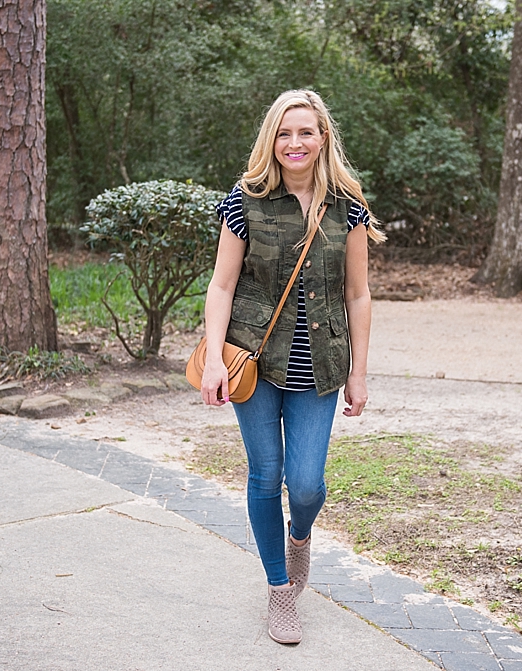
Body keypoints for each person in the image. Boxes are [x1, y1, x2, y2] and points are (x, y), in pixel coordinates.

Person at [200, 89, 386, 645]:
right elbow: (222, 284)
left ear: (323, 137)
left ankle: (299, 536)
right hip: (252, 360)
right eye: (284, 133)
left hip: (321, 364)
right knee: (265, 476)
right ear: (271, 140)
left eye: (305, 132)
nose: (295, 143)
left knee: (305, 485)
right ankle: (279, 591)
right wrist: (213, 360)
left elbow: (358, 294)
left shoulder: (346, 206)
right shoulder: (244, 201)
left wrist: (359, 370)